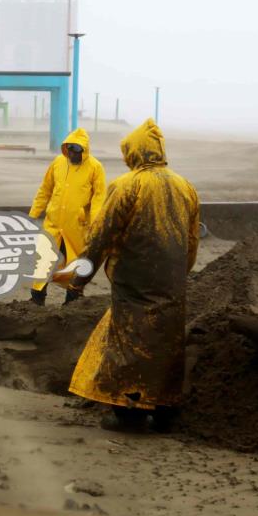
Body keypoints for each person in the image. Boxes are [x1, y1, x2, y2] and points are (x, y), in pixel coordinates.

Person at [67, 118, 200, 431]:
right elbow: (192, 242)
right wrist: (177, 274)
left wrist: (79, 280)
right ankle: (166, 408)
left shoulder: (127, 186)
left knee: (132, 342)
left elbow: (100, 238)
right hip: (172, 284)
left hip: (134, 283)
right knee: (167, 343)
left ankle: (130, 411)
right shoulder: (185, 187)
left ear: (134, 153)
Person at [28, 128, 106, 306]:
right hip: (53, 223)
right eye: (69, 148)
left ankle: (72, 300)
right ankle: (36, 298)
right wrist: (33, 213)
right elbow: (45, 190)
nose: (72, 152)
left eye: (77, 149)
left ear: (84, 150)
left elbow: (98, 199)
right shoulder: (57, 163)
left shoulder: (95, 167)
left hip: (76, 227)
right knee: (43, 259)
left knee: (76, 264)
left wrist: (95, 225)